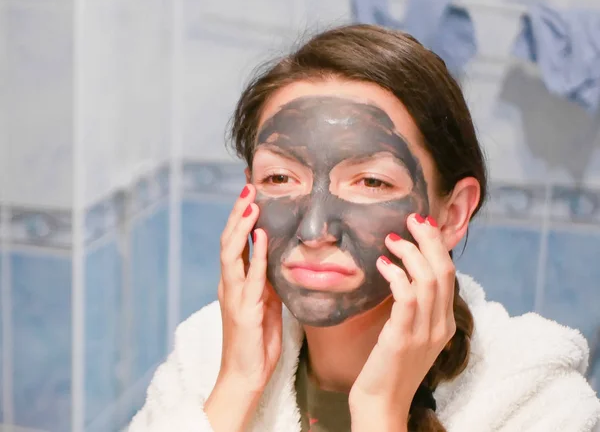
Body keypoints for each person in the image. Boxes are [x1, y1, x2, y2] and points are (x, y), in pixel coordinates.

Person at [128, 25, 600, 432]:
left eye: (371, 181)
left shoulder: (535, 399)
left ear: (453, 214)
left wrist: (380, 410)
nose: (314, 231)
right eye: (279, 178)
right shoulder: (207, 355)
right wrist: (235, 385)